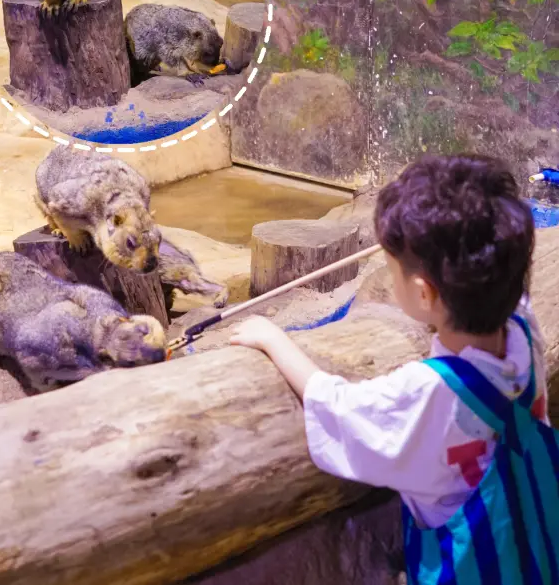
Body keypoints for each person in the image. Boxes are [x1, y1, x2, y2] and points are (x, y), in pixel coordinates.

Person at [230, 154, 558, 583]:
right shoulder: (524, 333)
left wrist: (273, 339)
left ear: (424, 295)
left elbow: (337, 405)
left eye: (392, 268)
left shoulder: (429, 395)